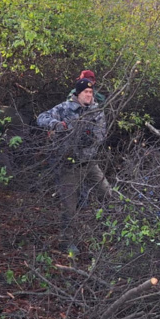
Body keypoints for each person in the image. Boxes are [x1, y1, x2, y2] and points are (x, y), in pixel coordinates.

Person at [38, 78, 112, 252]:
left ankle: (108, 231)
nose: (88, 95)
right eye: (85, 92)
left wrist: (88, 138)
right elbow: (41, 118)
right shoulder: (64, 108)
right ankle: (67, 241)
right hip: (68, 164)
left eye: (91, 92)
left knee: (107, 193)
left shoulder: (96, 111)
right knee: (69, 206)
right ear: (78, 93)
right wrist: (56, 125)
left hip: (89, 162)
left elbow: (101, 134)